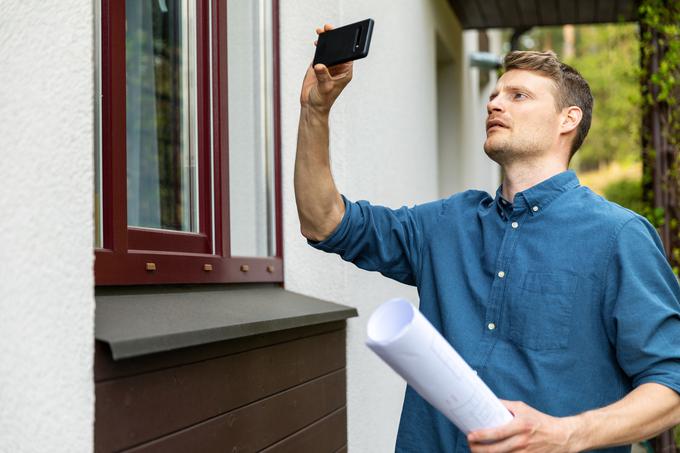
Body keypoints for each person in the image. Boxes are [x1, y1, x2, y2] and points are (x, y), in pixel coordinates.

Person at [295, 24, 680, 453]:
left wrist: (567, 434)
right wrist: (315, 112)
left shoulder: (619, 236)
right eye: (494, 95)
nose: (494, 103)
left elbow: (671, 385)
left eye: (518, 96)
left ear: (567, 120)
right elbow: (324, 222)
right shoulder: (446, 223)